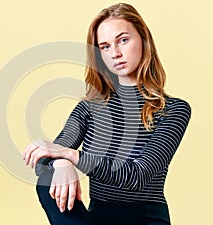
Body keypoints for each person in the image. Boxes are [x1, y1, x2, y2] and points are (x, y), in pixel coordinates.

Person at [23, 3, 191, 225]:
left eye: (123, 40)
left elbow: (137, 176)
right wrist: (61, 163)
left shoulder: (173, 110)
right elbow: (44, 159)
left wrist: (71, 156)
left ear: (143, 39)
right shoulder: (90, 108)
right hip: (97, 218)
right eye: (104, 47)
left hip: (144, 218)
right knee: (49, 178)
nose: (116, 54)